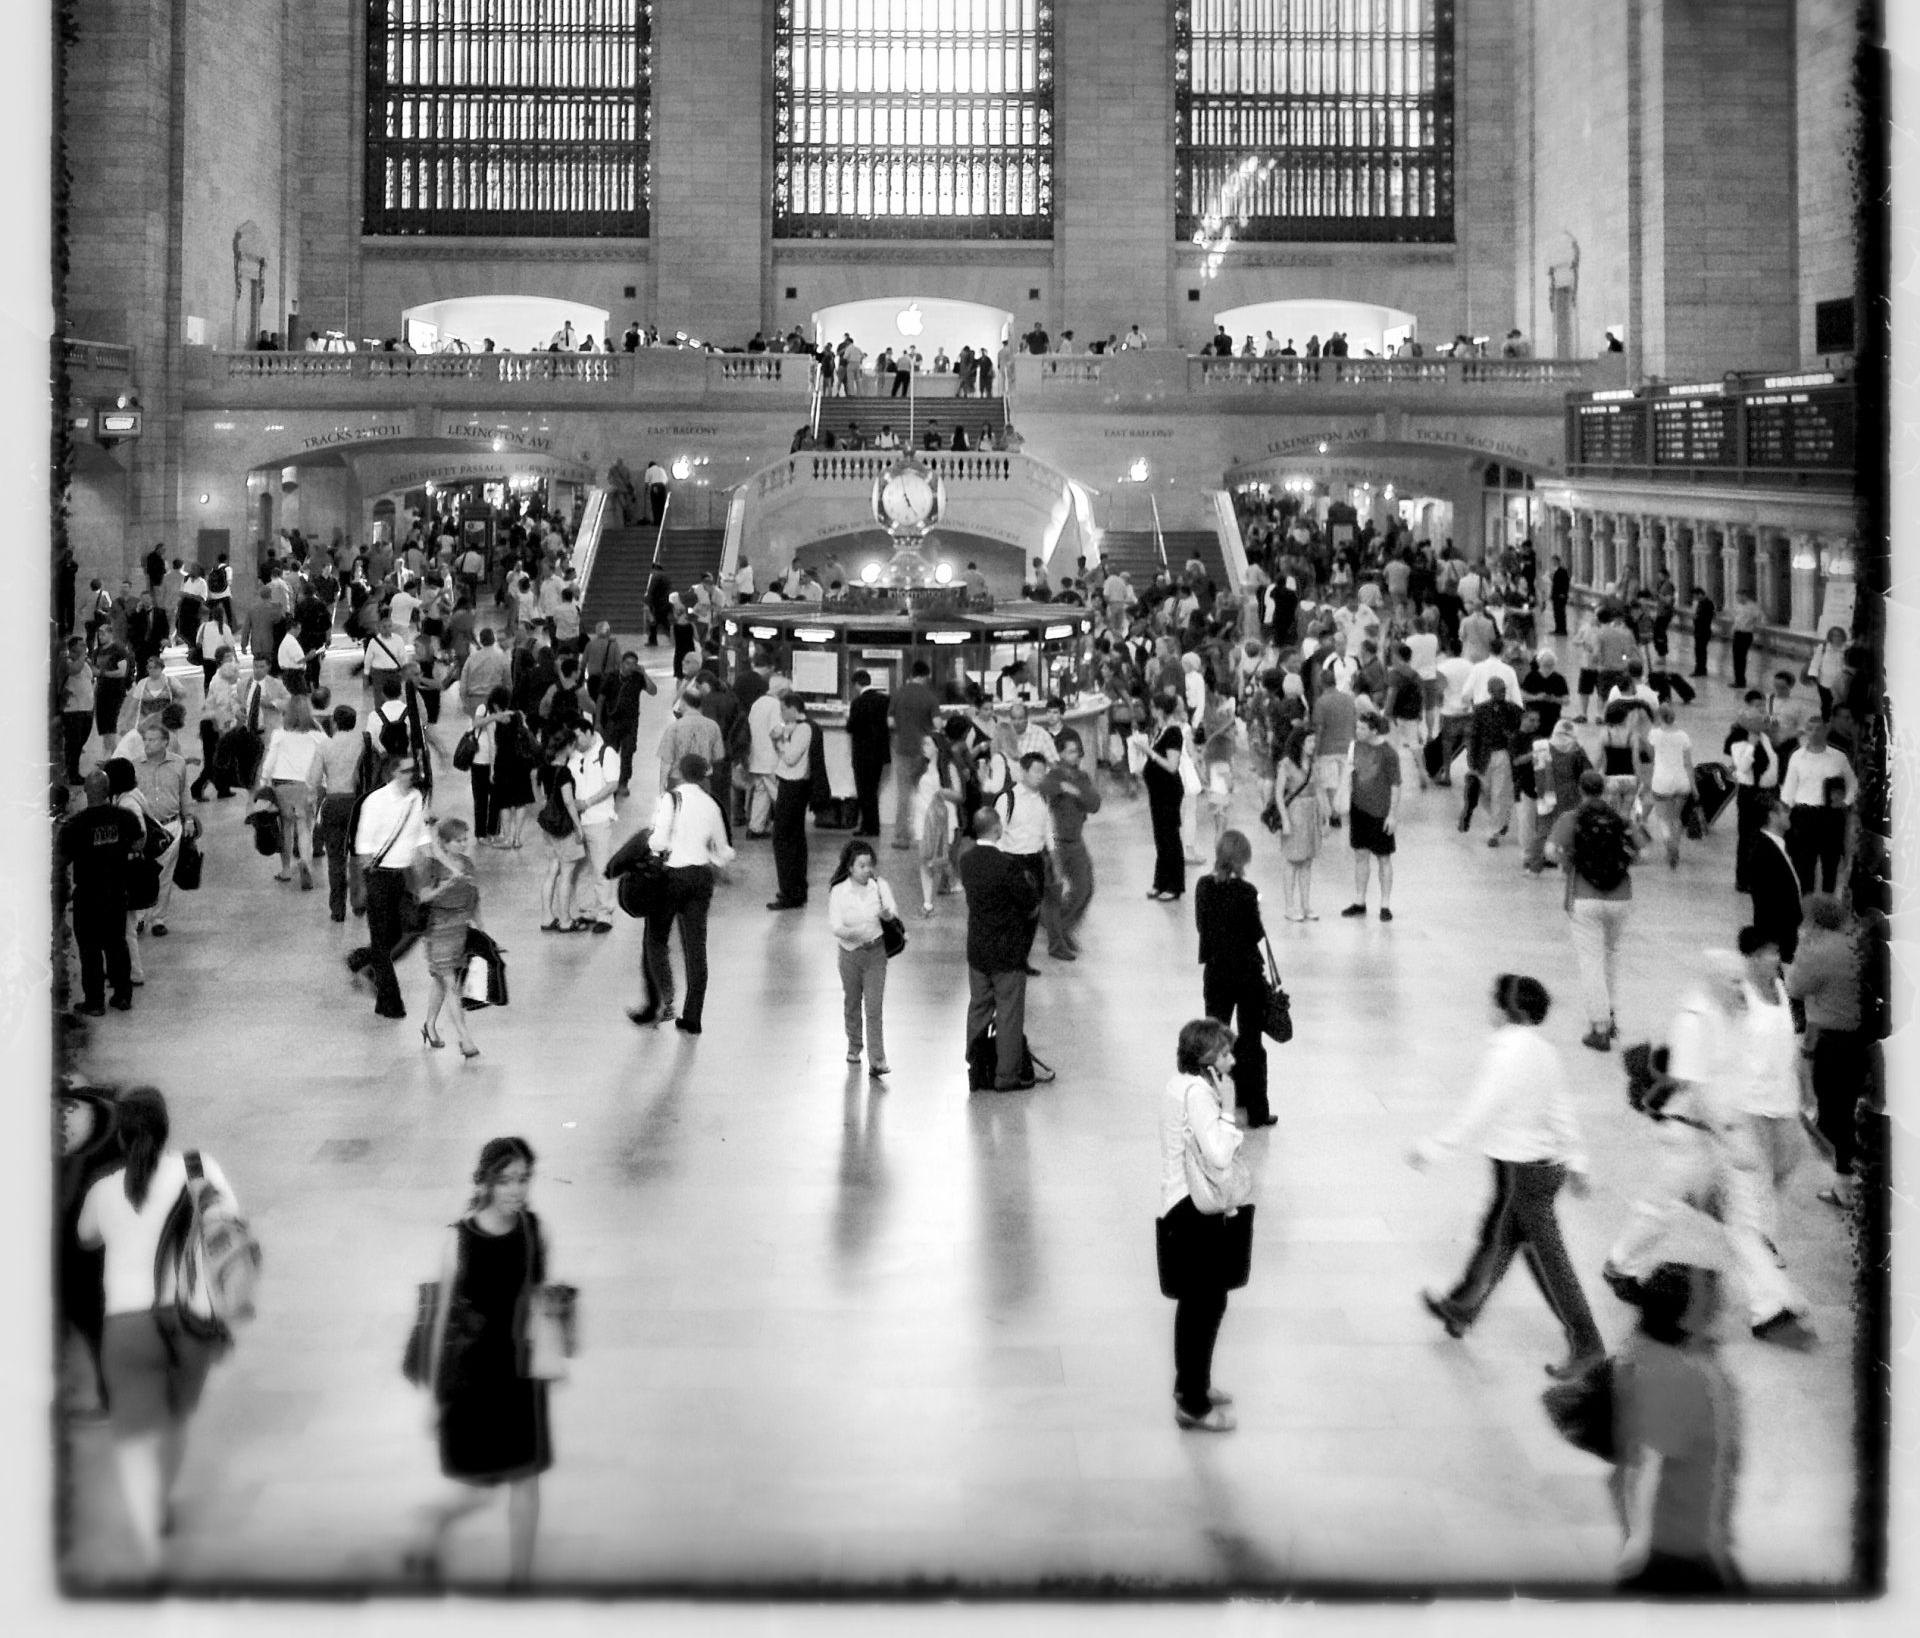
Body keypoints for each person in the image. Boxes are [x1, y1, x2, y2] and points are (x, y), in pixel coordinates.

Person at [74, 1086, 238, 1573]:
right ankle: (161, 1501)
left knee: (135, 1435)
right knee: (174, 1421)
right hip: (191, 1318)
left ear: (121, 1137)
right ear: (166, 1128)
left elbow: (85, 1237)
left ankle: (149, 1532)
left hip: (128, 1324)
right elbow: (229, 1220)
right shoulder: (198, 1169)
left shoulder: (104, 1190)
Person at [1410, 974, 1606, 1379]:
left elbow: (1478, 1111)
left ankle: (1588, 1344)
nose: (1488, 1009)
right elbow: (1561, 1108)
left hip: (1522, 1174)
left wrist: (1434, 1147)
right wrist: (1577, 1160)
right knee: (1500, 1240)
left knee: (1548, 1261)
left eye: (1491, 1002)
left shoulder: (1505, 1054)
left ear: (1505, 1009)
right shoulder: (1544, 1051)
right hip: (1541, 1168)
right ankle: (1464, 1306)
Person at [408, 1137, 555, 1588]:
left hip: (522, 1377)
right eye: (506, 1180)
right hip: (473, 1380)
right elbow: (438, 1330)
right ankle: (432, 1523)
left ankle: (520, 1583)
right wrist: (435, 1398)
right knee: (476, 1491)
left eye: (523, 1179)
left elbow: (536, 1296)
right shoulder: (459, 1240)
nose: (516, 1190)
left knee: (526, 1480)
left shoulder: (534, 1230)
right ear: (487, 1181)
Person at [1608, 1263, 1744, 1593]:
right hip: (1680, 1547)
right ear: (1688, 1317)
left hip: (1690, 1535)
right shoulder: (1678, 1377)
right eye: (1716, 1306)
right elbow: (1647, 1462)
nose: (1724, 1312)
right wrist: (1638, 1541)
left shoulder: (1657, 1353)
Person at [1156, 1018, 1248, 1432]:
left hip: (1177, 1203)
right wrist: (1228, 1110)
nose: (1232, 1059)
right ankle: (1194, 1406)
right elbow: (1218, 1156)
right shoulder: (1199, 1095)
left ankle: (1191, 1386)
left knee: (1196, 1304)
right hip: (1195, 1210)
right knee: (1207, 1304)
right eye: (1225, 1053)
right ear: (1209, 1059)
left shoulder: (1179, 1085)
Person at [626, 752, 735, 1034]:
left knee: (656, 938)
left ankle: (666, 995)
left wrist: (650, 841)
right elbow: (723, 852)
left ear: (680, 772)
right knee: (696, 948)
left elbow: (659, 841)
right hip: (700, 878)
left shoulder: (671, 800)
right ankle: (692, 1018)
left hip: (671, 876)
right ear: (704, 775)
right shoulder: (712, 805)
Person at [1546, 770, 1638, 1051]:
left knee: (1591, 963)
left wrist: (1568, 860)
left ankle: (1599, 1027)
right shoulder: (1619, 819)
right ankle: (1610, 1015)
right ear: (1605, 790)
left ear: (1580, 790)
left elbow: (1550, 851)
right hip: (1621, 896)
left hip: (1584, 895)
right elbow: (1642, 850)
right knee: (1609, 957)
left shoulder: (1570, 818)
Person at [1787, 894, 1865, 1211]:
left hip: (1834, 1043)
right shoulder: (1856, 943)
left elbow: (1794, 986)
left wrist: (1804, 945)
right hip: (1867, 1040)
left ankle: (1848, 1181)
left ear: (1815, 923)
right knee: (1854, 1107)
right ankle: (1852, 1179)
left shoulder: (1819, 950)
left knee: (1834, 1115)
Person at [958, 807, 1043, 1091]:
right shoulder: (1007, 865)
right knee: (1008, 1013)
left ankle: (976, 1067)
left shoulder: (966, 860)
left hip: (978, 949)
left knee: (978, 1007)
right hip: (1007, 951)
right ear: (997, 829)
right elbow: (1030, 903)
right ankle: (1006, 1076)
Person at [1193, 831, 1274, 1127]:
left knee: (1216, 1039)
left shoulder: (1203, 887)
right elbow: (1255, 933)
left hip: (1216, 972)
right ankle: (1256, 1110)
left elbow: (1202, 926)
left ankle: (1217, 1103)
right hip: (1247, 973)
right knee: (1251, 1041)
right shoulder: (1247, 891)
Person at [346, 753, 430, 1018]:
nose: (411, 775)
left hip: (404, 876)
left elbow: (421, 836)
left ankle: (362, 960)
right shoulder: (376, 801)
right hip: (380, 876)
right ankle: (391, 1002)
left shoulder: (416, 799)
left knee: (407, 930)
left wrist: (434, 865)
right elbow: (363, 845)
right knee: (382, 940)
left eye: (413, 771)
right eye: (406, 771)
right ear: (394, 773)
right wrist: (367, 882)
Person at [59, 770, 144, 1015]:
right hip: (116, 891)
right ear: (108, 791)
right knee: (117, 944)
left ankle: (95, 1002)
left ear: (86, 792)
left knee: (90, 949)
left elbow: (61, 859)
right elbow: (138, 843)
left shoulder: (76, 824)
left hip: (88, 895)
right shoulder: (125, 817)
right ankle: (122, 995)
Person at [828, 839, 898, 1077]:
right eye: (861, 866)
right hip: (850, 955)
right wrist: (851, 933)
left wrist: (887, 915)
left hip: (876, 953)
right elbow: (835, 925)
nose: (867, 870)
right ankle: (854, 1044)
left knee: (874, 1006)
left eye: (869, 865)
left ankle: (877, 1059)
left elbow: (892, 911)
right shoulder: (839, 892)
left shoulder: (879, 886)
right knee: (852, 1001)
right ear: (850, 867)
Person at [416, 817, 483, 1058]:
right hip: (438, 929)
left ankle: (430, 1025)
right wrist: (445, 885)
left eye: (466, 839)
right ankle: (465, 1038)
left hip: (460, 930)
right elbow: (423, 897)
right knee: (452, 985)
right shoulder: (432, 867)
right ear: (443, 843)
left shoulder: (467, 864)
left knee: (442, 982)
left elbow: (474, 898)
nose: (464, 844)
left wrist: (480, 929)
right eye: (458, 840)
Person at [1038, 729, 1101, 958]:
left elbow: (1094, 803)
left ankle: (1061, 929)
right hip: (1055, 843)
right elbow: (1045, 790)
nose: (1077, 755)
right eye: (1072, 751)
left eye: (1078, 751)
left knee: (1085, 887)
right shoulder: (1052, 776)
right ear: (1060, 753)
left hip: (1075, 840)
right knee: (1054, 892)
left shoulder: (1081, 777)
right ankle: (1059, 935)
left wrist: (1073, 790)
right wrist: (1064, 787)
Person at [1779, 715, 1855, 895]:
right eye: (1810, 729)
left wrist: (1845, 802)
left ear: (1826, 730)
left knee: (1830, 862)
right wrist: (1784, 816)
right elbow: (1789, 789)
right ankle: (1807, 905)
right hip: (1804, 815)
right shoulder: (1797, 757)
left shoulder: (1838, 757)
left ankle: (1826, 907)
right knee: (1805, 863)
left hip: (1831, 816)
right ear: (1805, 731)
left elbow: (1853, 784)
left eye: (1818, 729)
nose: (1814, 733)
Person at [257, 695, 327, 890]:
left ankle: (286, 870)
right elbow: (326, 755)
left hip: (282, 785)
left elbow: (270, 760)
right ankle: (305, 861)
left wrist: (264, 781)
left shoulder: (279, 734)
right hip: (307, 785)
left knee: (286, 827)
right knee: (305, 827)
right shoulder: (317, 736)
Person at [1340, 711, 1400, 921]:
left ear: (1374, 730)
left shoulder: (1388, 753)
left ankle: (1385, 904)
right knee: (1360, 854)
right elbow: (1349, 773)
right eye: (1357, 727)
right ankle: (1359, 900)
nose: (1358, 731)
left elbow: (1395, 785)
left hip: (1380, 812)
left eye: (1362, 728)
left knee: (1384, 857)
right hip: (1359, 809)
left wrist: (1392, 814)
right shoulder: (1355, 746)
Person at [565, 720, 619, 933]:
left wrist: (587, 802)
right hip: (576, 823)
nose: (576, 742)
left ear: (589, 732)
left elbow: (612, 784)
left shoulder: (607, 753)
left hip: (598, 820)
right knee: (581, 869)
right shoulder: (574, 755)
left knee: (601, 868)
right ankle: (587, 910)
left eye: (579, 736)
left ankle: (605, 914)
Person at [534, 729, 587, 933]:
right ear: (567, 747)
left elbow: (541, 798)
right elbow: (568, 802)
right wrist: (578, 827)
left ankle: (546, 917)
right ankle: (565, 920)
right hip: (564, 827)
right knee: (566, 873)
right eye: (573, 745)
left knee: (552, 871)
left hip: (549, 827)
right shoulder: (563, 772)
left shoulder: (545, 769)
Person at [1140, 691, 1189, 901]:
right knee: (1160, 836)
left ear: (1159, 710)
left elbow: (1171, 765)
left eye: (1152, 707)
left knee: (1170, 836)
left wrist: (1149, 752)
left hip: (1168, 791)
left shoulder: (1173, 733)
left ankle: (1174, 884)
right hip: (1157, 791)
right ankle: (1160, 881)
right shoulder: (1159, 731)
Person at [767, 693, 814, 909]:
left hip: (794, 787)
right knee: (793, 838)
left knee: (784, 839)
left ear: (794, 708)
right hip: (790, 785)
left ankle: (790, 891)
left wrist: (780, 741)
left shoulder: (803, 729)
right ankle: (794, 889)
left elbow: (790, 758)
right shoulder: (796, 728)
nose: (782, 715)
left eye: (784, 709)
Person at [1744, 798, 1802, 963]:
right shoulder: (1762, 850)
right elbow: (1768, 896)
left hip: (1786, 929)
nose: (1789, 815)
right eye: (1784, 811)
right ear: (1772, 816)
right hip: (1776, 930)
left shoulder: (1781, 845)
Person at [889, 660, 940, 849]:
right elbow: (937, 724)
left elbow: (890, 723)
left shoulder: (898, 693)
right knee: (926, 791)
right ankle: (927, 833)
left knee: (904, 794)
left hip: (902, 749)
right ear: (926, 675)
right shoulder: (930, 696)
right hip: (924, 751)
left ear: (911, 673)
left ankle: (902, 837)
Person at [1643, 702, 1696, 869]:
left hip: (1662, 781)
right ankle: (1676, 845)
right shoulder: (1683, 736)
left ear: (1659, 717)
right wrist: (1694, 787)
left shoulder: (1655, 734)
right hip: (1682, 781)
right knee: (1676, 818)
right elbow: (1688, 764)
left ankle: (1669, 846)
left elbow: (1650, 754)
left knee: (1663, 818)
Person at [846, 669, 891, 837]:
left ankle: (868, 827)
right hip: (879, 754)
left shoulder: (857, 703)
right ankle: (873, 826)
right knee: (873, 791)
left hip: (862, 754)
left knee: (864, 793)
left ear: (857, 684)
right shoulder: (884, 700)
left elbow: (851, 727)